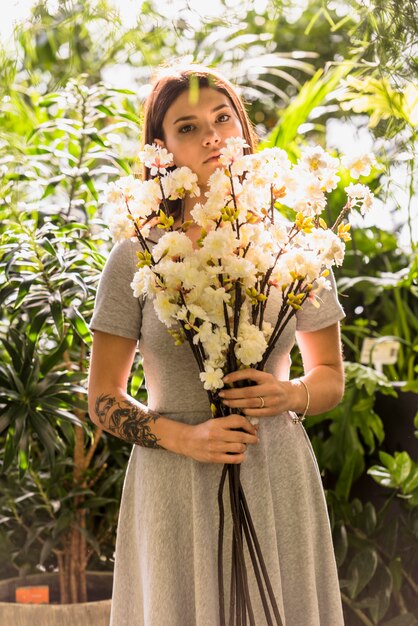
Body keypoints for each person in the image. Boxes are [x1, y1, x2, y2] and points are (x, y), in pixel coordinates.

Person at [88, 63, 346, 626]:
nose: (211, 135)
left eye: (222, 117)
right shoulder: (139, 256)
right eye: (187, 127)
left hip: (275, 475)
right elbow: (103, 399)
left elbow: (329, 375)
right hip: (173, 486)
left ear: (242, 129)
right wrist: (186, 438)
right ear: (162, 151)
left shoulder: (293, 245)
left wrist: (290, 394)